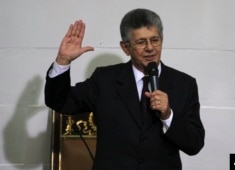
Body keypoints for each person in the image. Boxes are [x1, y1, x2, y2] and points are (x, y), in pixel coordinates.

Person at [45, 8, 205, 170]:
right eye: (141, 42)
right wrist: (63, 60)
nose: (150, 48)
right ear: (125, 48)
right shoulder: (104, 80)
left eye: (155, 40)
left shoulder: (184, 84)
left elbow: (194, 144)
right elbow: (60, 101)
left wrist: (168, 115)